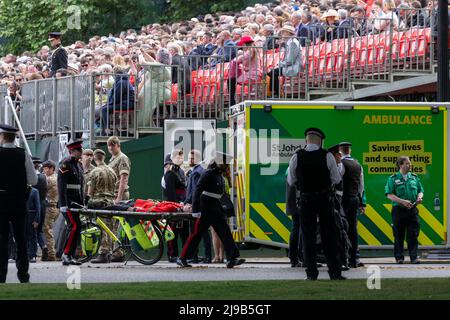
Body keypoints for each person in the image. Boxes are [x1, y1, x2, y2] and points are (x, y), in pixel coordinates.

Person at [287, 128, 344, 280]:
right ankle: (335, 273)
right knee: (329, 236)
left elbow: (291, 180)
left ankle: (311, 274)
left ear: (306, 140)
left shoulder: (296, 157)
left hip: (305, 200)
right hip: (325, 199)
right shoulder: (327, 156)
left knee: (308, 237)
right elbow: (336, 179)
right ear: (320, 141)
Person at [177, 152, 245, 268]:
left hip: (216, 208)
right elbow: (197, 191)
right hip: (206, 208)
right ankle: (183, 258)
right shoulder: (208, 174)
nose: (226, 164)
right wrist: (196, 210)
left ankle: (232, 258)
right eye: (224, 162)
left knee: (225, 232)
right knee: (196, 234)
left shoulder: (219, 175)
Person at [0, 124, 38, 283]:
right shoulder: (22, 154)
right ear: (14, 137)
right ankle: (23, 275)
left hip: (1, 201)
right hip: (18, 201)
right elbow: (33, 180)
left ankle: (1, 276)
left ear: (2, 137)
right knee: (20, 239)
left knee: (2, 239)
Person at [385, 156, 423, 264]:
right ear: (400, 165)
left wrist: (419, 197)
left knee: (413, 235)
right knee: (398, 235)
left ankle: (414, 258)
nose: (409, 165)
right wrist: (402, 201)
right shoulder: (393, 178)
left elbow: (420, 190)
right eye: (407, 163)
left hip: (412, 210)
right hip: (398, 210)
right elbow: (389, 195)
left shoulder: (414, 177)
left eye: (409, 163)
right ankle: (399, 258)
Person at [57, 139, 85, 266]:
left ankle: (70, 254)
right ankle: (66, 253)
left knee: (76, 227)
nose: (81, 151)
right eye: (79, 150)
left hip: (76, 202)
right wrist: (63, 204)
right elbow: (61, 185)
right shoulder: (65, 164)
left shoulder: (78, 165)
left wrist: (83, 201)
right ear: (72, 151)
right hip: (68, 202)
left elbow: (80, 185)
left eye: (81, 149)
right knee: (73, 226)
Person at [339, 141, 365, 268]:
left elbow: (336, 180)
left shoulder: (341, 164)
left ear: (340, 151)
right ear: (350, 150)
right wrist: (360, 201)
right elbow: (361, 187)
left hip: (343, 199)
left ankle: (344, 257)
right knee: (353, 229)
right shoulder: (358, 165)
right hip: (354, 198)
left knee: (342, 227)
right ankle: (355, 258)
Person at [88, 149, 118, 263]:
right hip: (110, 202)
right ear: (104, 158)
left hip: (98, 202)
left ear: (95, 159)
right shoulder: (112, 171)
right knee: (111, 228)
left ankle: (103, 253)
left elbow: (90, 192)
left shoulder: (95, 171)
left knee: (102, 228)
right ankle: (113, 251)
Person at [184, 149, 212, 263]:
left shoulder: (196, 172)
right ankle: (206, 256)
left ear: (198, 159)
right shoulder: (200, 170)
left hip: (197, 206)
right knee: (203, 232)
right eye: (190, 158)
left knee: (196, 232)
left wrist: (188, 202)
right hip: (201, 205)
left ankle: (195, 257)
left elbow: (195, 191)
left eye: (192, 158)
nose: (190, 160)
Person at [107, 136, 131, 262]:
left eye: (113, 145)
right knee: (113, 225)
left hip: (119, 194)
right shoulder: (112, 159)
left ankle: (118, 252)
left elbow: (123, 178)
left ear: (118, 145)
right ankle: (115, 251)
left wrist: (119, 198)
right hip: (113, 194)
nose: (111, 147)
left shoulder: (122, 158)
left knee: (118, 225)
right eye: (109, 145)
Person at [163, 149, 189, 262]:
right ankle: (173, 255)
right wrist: (177, 206)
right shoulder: (170, 174)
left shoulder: (181, 173)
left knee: (184, 232)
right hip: (174, 207)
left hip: (182, 205)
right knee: (173, 232)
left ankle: (185, 254)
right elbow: (171, 194)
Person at [267, 25, 302, 98]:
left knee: (272, 72)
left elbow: (290, 60)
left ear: (288, 33)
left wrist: (280, 64)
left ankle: (276, 93)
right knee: (272, 71)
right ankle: (275, 92)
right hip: (290, 65)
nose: (282, 34)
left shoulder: (293, 43)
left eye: (283, 32)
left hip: (293, 67)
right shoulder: (290, 42)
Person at [285, 167, 303, 267]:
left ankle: (294, 258)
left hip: (293, 203)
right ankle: (298, 258)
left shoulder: (289, 169)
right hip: (298, 203)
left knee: (296, 229)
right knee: (299, 230)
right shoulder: (296, 169)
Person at [31, 157, 48, 260]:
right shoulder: (43, 177)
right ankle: (44, 246)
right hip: (43, 204)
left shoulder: (31, 179)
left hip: (33, 206)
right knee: (40, 229)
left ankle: (32, 253)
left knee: (32, 230)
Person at [42, 160, 59, 261]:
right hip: (55, 206)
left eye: (46, 168)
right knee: (48, 229)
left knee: (47, 230)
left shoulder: (49, 180)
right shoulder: (57, 177)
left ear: (52, 169)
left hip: (50, 207)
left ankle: (51, 254)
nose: (44, 171)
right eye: (44, 168)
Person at [26, 187, 40, 263]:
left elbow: (38, 206)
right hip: (22, 216)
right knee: (23, 236)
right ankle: (26, 254)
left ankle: (33, 255)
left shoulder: (34, 191)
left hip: (31, 216)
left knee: (32, 236)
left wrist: (37, 219)